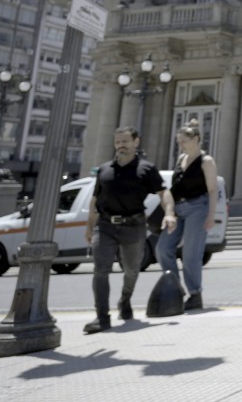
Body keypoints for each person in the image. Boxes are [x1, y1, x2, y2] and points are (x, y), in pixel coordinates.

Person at [85, 126, 175, 334]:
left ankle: (125, 300)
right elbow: (95, 200)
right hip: (105, 226)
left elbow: (164, 193)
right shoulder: (104, 170)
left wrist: (169, 213)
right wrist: (89, 227)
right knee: (100, 269)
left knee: (132, 269)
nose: (121, 145)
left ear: (136, 142)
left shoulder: (146, 169)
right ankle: (102, 317)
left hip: (133, 226)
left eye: (125, 141)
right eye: (117, 142)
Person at [157, 119, 219, 310]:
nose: (181, 145)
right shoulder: (180, 159)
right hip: (178, 209)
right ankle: (175, 289)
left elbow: (213, 190)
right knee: (162, 249)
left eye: (184, 141)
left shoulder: (206, 161)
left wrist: (211, 215)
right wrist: (169, 211)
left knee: (191, 253)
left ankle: (195, 293)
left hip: (198, 208)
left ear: (196, 139)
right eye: (179, 141)